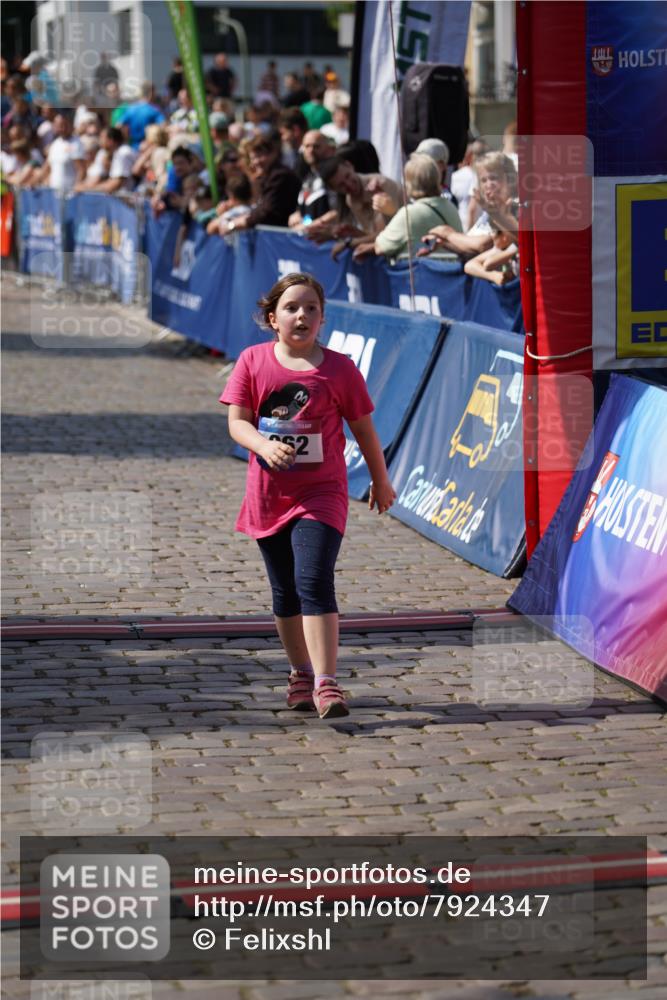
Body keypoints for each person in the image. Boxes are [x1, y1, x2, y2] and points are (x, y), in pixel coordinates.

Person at [221, 272, 396, 718]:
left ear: (322, 319)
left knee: (314, 580)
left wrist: (381, 479)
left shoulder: (339, 369)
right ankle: (299, 672)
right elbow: (237, 422)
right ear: (272, 318)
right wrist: (262, 444)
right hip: (269, 495)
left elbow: (364, 430)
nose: (302, 315)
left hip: (322, 493)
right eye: (292, 308)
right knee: (285, 594)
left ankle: (326, 682)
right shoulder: (252, 361)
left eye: (312, 309)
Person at [419, 151, 517, 258]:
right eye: (483, 180)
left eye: (493, 178)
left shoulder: (512, 208)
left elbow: (481, 245)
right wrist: (443, 242)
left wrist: (448, 234)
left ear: (509, 179)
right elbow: (470, 245)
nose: (488, 185)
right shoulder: (489, 212)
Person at [365, 153, 462, 260]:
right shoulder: (450, 207)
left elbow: (380, 247)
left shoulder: (409, 214)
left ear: (409, 184)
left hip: (418, 276)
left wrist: (383, 211)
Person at [226, 134, 300, 230]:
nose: (256, 162)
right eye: (253, 158)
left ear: (274, 154)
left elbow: (267, 213)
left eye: (260, 156)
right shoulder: (269, 177)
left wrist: (236, 224)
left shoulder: (280, 176)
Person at [116, 82, 165, 148]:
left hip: (134, 147)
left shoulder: (131, 109)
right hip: (149, 147)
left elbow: (118, 125)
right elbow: (163, 125)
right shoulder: (154, 110)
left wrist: (124, 141)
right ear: (151, 93)